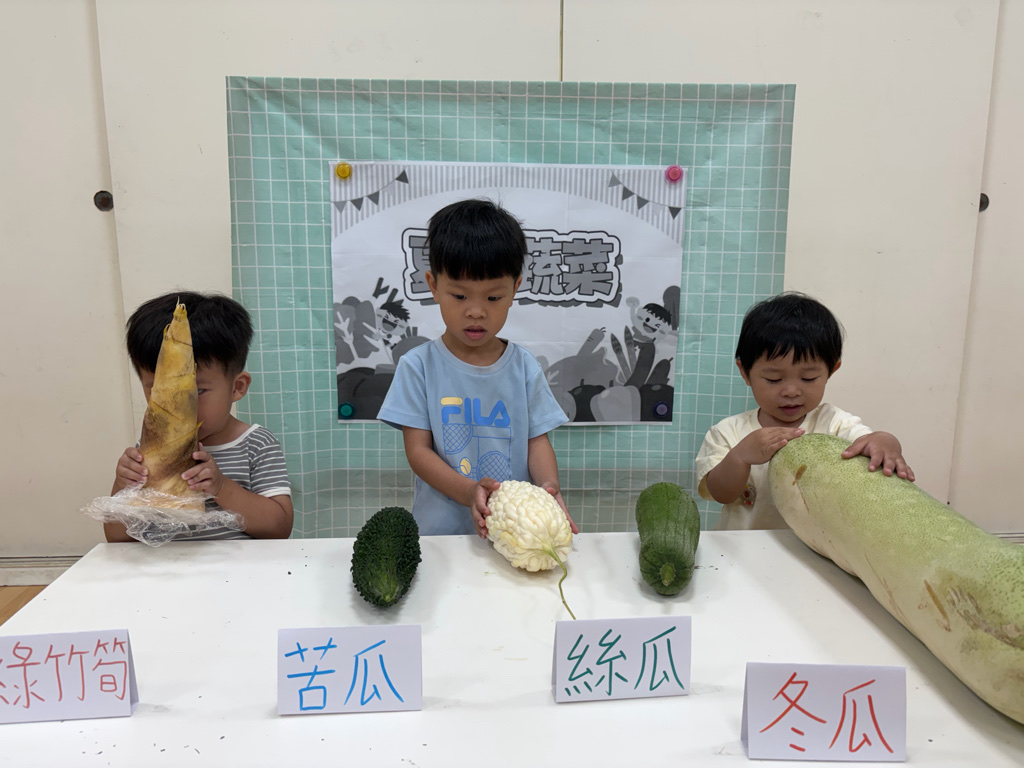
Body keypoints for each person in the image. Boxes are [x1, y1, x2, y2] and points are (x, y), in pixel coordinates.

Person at [377, 199, 576, 537]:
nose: (476, 312)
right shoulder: (418, 366)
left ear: (514, 289)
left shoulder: (524, 366)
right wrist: (469, 491)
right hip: (440, 536)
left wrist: (548, 487)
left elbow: (536, 443)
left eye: (493, 298)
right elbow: (418, 451)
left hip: (514, 533)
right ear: (433, 285)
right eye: (460, 296)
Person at [695, 292, 914, 530]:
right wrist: (740, 457)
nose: (791, 391)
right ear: (745, 373)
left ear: (831, 370)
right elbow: (721, 494)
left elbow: (870, 440)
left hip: (815, 547)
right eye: (773, 379)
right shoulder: (728, 432)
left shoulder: (834, 424)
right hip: (742, 547)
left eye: (808, 378)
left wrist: (886, 441)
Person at [106, 292, 293, 541]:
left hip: (238, 564)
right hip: (165, 564)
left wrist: (221, 487)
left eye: (197, 391)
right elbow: (117, 539)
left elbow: (279, 528)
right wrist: (123, 487)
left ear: (236, 387)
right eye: (161, 391)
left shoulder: (256, 444)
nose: (180, 405)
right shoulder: (149, 451)